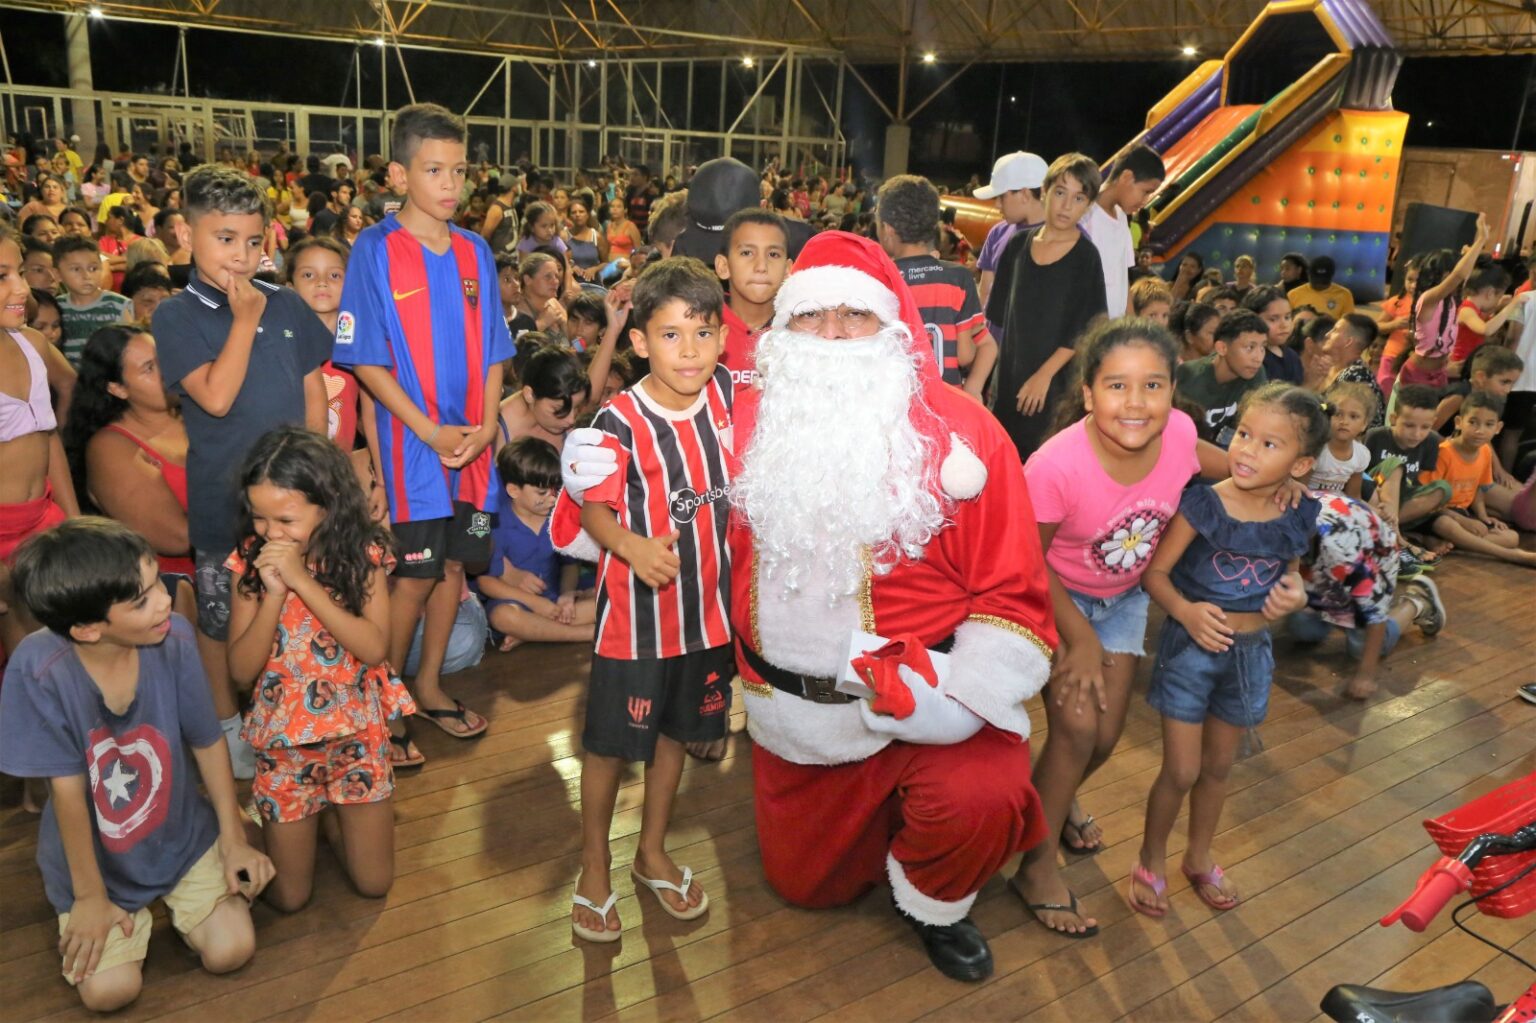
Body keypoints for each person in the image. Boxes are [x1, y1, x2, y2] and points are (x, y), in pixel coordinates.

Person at [559, 232, 1062, 980]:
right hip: (793, 718)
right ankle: (873, 845)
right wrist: (592, 463)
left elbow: (1014, 590)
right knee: (804, 888)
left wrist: (954, 696)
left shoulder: (965, 434)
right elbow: (658, 452)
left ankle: (935, 900)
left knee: (984, 794)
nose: (831, 333)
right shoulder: (743, 417)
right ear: (781, 330)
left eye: (854, 316)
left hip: (927, 699)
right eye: (811, 316)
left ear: (892, 326)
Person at [0, 518, 273, 1012]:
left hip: (178, 832)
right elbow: (65, 794)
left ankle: (204, 866)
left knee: (232, 950)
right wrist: (88, 898)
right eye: (143, 599)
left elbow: (207, 740)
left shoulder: (175, 637)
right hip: (97, 858)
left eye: (156, 584)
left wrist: (232, 837)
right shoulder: (39, 670)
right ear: (87, 629)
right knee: (110, 992)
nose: (166, 601)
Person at [331, 103, 515, 764]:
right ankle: (385, 701)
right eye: (434, 169)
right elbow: (368, 362)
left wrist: (490, 421)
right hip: (415, 453)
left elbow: (495, 348)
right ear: (399, 174)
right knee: (412, 577)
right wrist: (427, 431)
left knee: (455, 570)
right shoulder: (375, 250)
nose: (450, 183)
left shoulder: (475, 250)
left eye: (459, 170)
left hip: (471, 448)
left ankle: (429, 683)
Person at [1010, 321, 1202, 938]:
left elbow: (1208, 462)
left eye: (1153, 385)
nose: (1137, 402)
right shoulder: (1055, 466)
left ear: (1174, 390)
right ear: (1090, 394)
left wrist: (1264, 475)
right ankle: (1035, 867)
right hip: (1054, 601)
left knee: (1106, 738)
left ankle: (1055, 806)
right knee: (1074, 730)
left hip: (1120, 602)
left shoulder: (1180, 433)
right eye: (1117, 385)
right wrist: (1080, 640)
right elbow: (1028, 563)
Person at [566, 258, 735, 943]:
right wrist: (631, 546)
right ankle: (593, 865)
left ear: (722, 338)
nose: (689, 350)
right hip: (634, 625)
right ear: (639, 341)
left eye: (703, 331)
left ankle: (652, 848)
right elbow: (593, 511)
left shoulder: (724, 398)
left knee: (676, 733)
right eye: (671, 335)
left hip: (706, 619)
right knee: (609, 747)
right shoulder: (619, 418)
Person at [152, 163, 333, 780]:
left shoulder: (284, 302)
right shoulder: (177, 315)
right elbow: (218, 397)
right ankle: (225, 727)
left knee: (289, 608)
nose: (241, 254)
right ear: (186, 234)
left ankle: (284, 713)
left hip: (294, 499)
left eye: (253, 241)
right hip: (222, 501)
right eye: (224, 238)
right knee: (221, 618)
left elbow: (314, 389)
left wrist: (319, 471)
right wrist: (245, 316)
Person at [1130, 384, 1322, 916]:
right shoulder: (1205, 503)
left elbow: (1288, 570)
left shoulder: (1298, 512)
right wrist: (1187, 612)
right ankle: (1150, 857)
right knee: (1181, 770)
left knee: (1219, 767)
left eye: (1269, 445)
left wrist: (1295, 591)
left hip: (1250, 653)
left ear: (1300, 464)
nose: (1246, 450)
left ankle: (1197, 855)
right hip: (1190, 651)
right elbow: (1157, 575)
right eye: (1243, 435)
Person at [225, 427, 412, 910]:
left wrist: (303, 583)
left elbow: (373, 649)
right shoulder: (249, 560)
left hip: (357, 735)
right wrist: (272, 593)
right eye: (260, 517)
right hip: (285, 745)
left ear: (326, 506)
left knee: (375, 884)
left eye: (286, 519)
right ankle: (282, 818)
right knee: (288, 898)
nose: (271, 533)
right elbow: (241, 671)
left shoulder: (361, 554)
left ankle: (333, 812)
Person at [986, 153, 1108, 460]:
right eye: (1060, 192)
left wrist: (1044, 376)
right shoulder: (1016, 246)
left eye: (1079, 198)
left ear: (1088, 205)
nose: (1067, 206)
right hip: (1009, 384)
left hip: (1053, 390)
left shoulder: (1086, 257)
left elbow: (1086, 329)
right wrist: (989, 380)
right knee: (1003, 465)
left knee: (1041, 470)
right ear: (1046, 190)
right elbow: (999, 322)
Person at [62, 325, 193, 577]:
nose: (167, 371)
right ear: (117, 388)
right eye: (149, 368)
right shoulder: (110, 448)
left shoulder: (199, 413)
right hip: (174, 588)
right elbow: (177, 538)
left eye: (164, 358)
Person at [1290, 493, 1444, 699]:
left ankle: (1416, 603)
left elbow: (1375, 614)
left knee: (1361, 647)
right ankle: (1333, 612)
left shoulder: (1343, 555)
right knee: (1303, 628)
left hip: (1377, 550)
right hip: (1330, 550)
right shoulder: (1279, 522)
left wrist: (1365, 675)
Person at [875, 175, 993, 398]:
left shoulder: (880, 281)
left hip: (895, 411)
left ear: (888, 230)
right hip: (947, 407)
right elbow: (972, 352)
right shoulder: (958, 278)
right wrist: (973, 391)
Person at [475, 437, 593, 650]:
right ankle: (585, 633)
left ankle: (537, 632)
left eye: (556, 490)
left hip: (557, 603)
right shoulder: (495, 522)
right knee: (503, 616)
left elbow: (569, 565)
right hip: (517, 602)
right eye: (541, 493)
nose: (551, 499)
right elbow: (486, 583)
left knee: (611, 596)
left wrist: (567, 594)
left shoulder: (558, 518)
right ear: (513, 491)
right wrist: (535, 603)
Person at [1426, 392, 1536, 566]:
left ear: (1498, 428)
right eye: (1472, 422)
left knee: (1511, 537)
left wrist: (1483, 516)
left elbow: (1478, 487)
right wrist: (1463, 521)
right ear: (1459, 422)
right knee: (1446, 525)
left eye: (1489, 424)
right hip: (1439, 513)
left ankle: (1456, 545)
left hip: (1463, 513)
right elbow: (1428, 501)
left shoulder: (1485, 452)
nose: (1480, 430)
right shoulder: (1444, 453)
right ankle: (1512, 555)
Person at [1400, 215, 1489, 394]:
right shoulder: (1428, 299)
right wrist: (1481, 240)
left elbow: (1463, 274)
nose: (1452, 277)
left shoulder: (1452, 299)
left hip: (1439, 373)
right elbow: (1458, 276)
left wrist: (1474, 248)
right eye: (1446, 273)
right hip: (1418, 374)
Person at [714, 208, 792, 397]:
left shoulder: (799, 332)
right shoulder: (701, 326)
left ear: (788, 270)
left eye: (773, 254)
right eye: (747, 253)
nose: (761, 267)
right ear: (723, 266)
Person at [1083, 145, 1165, 318]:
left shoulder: (1121, 217)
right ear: (1127, 177)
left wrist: (1129, 323)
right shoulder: (1084, 216)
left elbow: (1122, 280)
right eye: (1146, 191)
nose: (1145, 201)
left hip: (1113, 333)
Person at [1363, 384, 1454, 539]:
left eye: (1425, 427)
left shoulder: (1431, 441)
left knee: (1443, 489)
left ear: (1433, 422)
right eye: (1409, 425)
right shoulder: (1376, 436)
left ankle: (1386, 524)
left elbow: (1418, 481)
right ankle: (1393, 533)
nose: (1417, 434)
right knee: (1395, 463)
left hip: (1401, 500)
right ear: (1393, 419)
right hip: (1374, 493)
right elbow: (1361, 475)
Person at [973, 151, 1048, 330]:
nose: (997, 205)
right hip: (995, 348)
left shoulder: (1067, 238)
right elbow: (985, 294)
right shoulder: (998, 232)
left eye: (1001, 197)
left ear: (1024, 194)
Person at [1175, 309, 1269, 447]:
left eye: (1263, 348)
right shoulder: (1187, 378)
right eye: (1250, 347)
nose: (1258, 357)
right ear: (1222, 348)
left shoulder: (1255, 373)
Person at [54, 234, 130, 368]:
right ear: (58, 274)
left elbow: (130, 350)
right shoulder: (56, 307)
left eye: (93, 268)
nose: (86, 276)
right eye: (76, 269)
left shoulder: (120, 305)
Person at [1433, 343, 1524, 433]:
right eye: (1504, 382)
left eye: (1512, 383)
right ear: (1481, 377)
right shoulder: (1459, 396)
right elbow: (1429, 431)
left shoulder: (1486, 400)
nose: (1508, 390)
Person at [1319, 312, 1387, 428]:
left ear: (1348, 341)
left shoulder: (1356, 375)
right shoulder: (1328, 367)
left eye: (1335, 330)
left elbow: (1335, 413)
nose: (1327, 334)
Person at [1308, 380, 1375, 498]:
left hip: (1338, 506)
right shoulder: (1316, 449)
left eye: (1353, 416)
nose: (1344, 421)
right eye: (1338, 414)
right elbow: (1299, 488)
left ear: (1364, 424)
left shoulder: (1361, 454)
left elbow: (1353, 495)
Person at [1448, 264, 1521, 369]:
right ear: (1490, 293)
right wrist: (1512, 305)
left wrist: (1498, 307)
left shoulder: (1475, 310)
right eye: (1499, 296)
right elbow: (1486, 329)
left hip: (1469, 364)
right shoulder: (1467, 310)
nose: (1498, 301)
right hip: (1460, 366)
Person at [1244, 284, 1300, 385]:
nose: (1284, 325)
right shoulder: (1250, 358)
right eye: (1273, 319)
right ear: (1252, 319)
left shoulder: (1292, 356)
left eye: (1287, 317)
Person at [1287, 254, 1355, 317]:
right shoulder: (1293, 295)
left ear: (1332, 276)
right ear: (1308, 274)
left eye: (1324, 281)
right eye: (1316, 280)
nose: (1320, 284)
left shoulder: (1344, 295)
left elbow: (1349, 324)